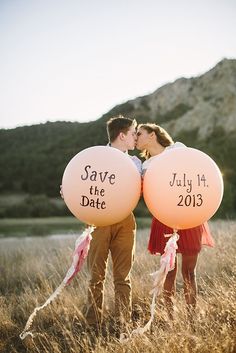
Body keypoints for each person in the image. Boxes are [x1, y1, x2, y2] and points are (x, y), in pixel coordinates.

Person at [136, 123, 214, 319]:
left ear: (152, 135)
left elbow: (197, 173)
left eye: (139, 133)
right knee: (169, 272)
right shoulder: (145, 165)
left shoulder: (178, 149)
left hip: (190, 216)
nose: (135, 137)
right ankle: (171, 318)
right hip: (163, 219)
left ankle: (191, 318)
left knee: (189, 272)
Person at [84, 116, 142, 335]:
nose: (136, 136)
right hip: (99, 220)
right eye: (134, 132)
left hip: (126, 221)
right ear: (122, 135)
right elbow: (81, 182)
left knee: (123, 277)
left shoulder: (136, 163)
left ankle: (123, 324)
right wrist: (67, 190)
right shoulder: (96, 157)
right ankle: (92, 325)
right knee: (95, 276)